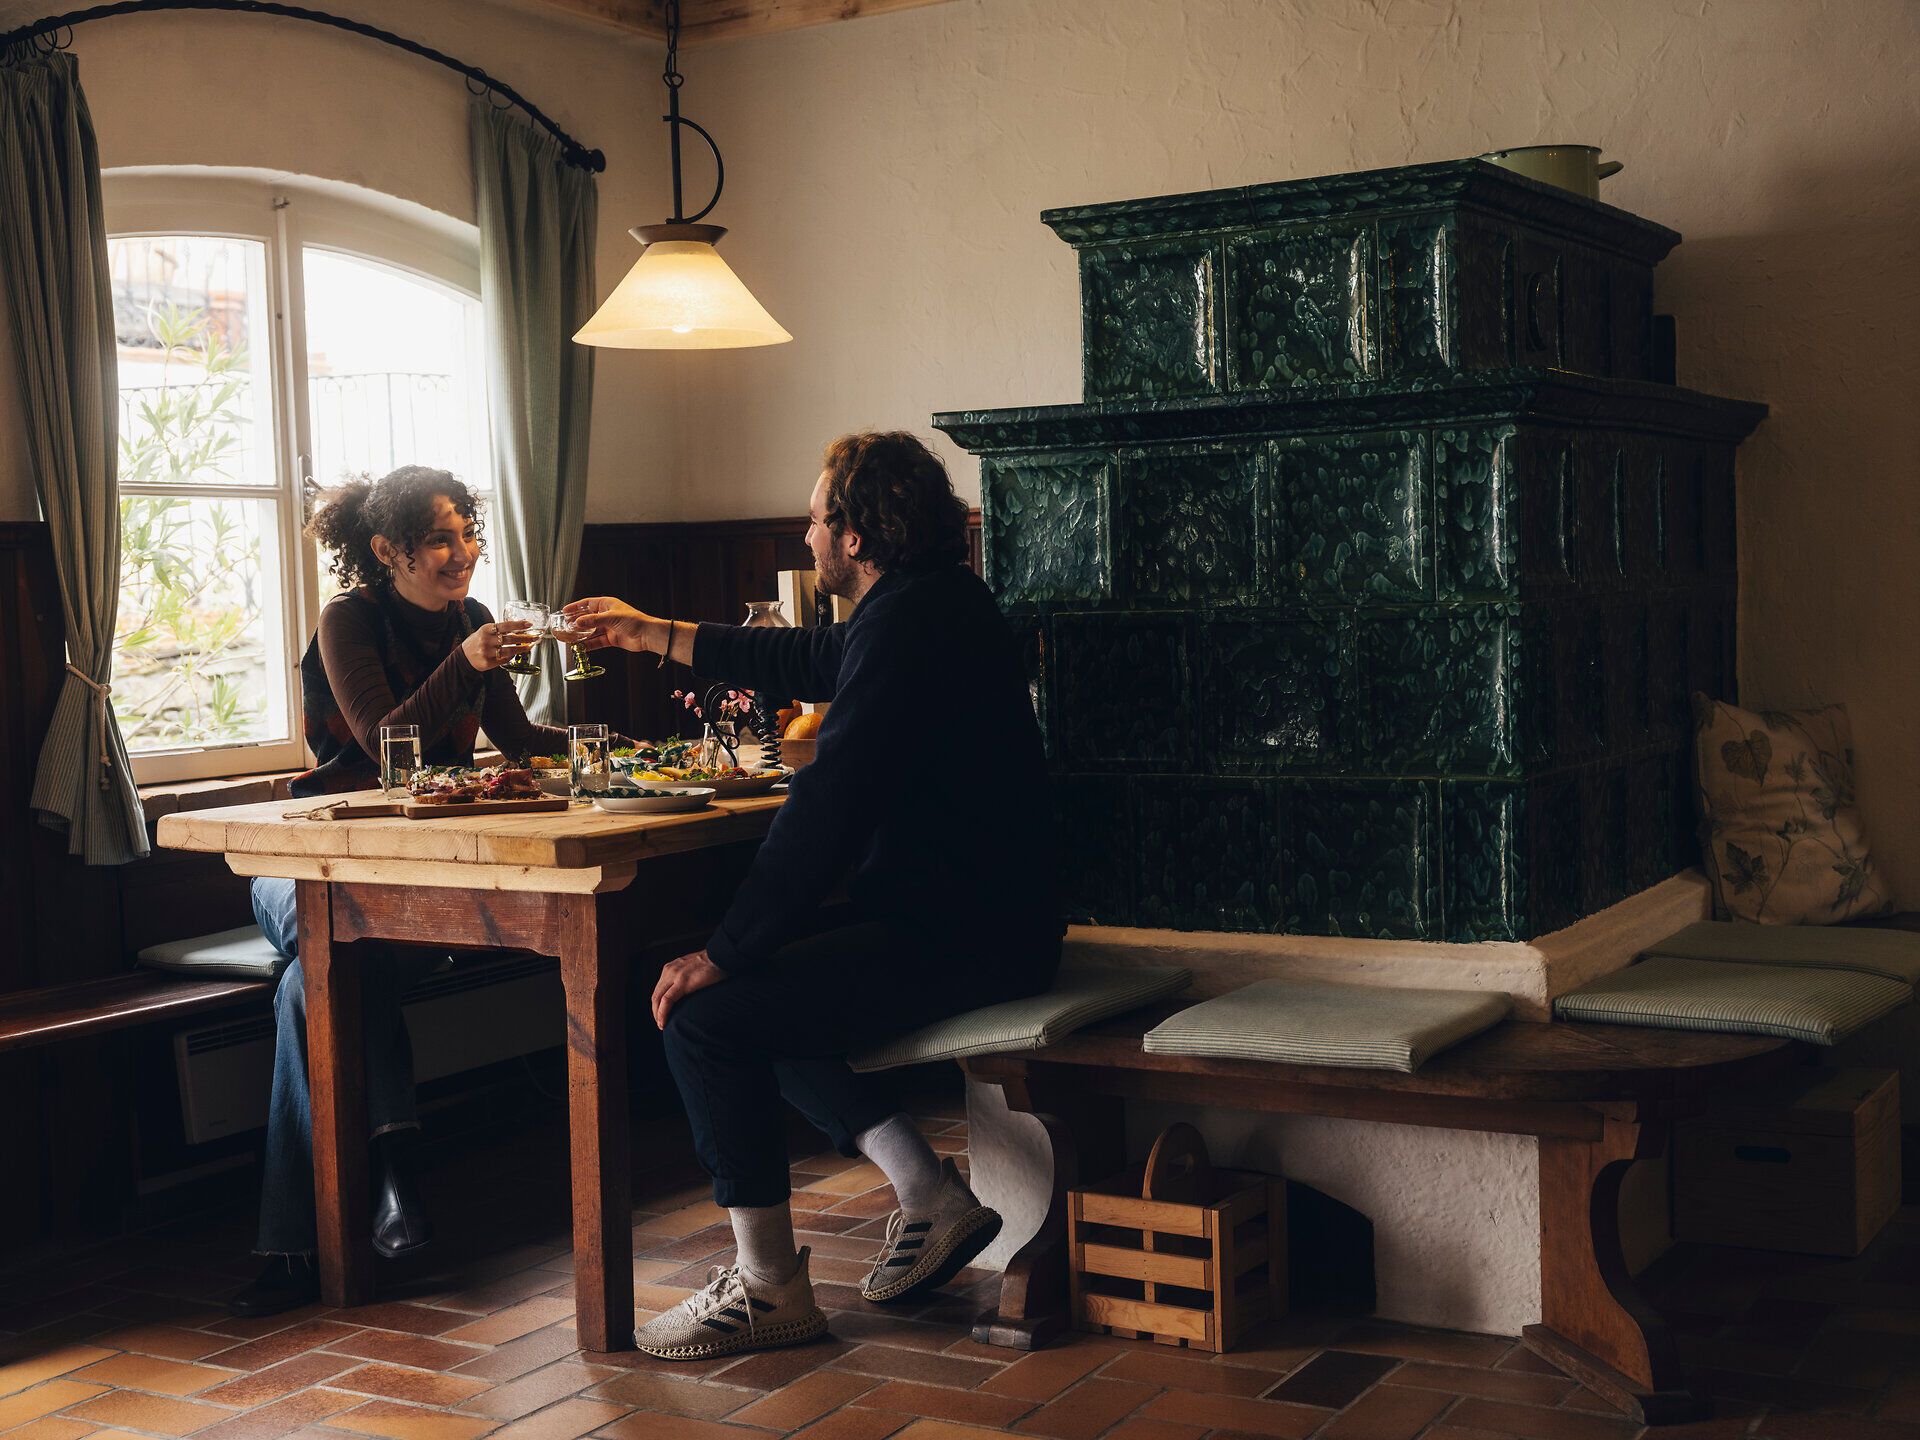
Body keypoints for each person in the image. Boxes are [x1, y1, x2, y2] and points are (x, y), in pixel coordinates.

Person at [564, 430, 1061, 1361]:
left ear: (855, 536)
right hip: (985, 921)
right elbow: (810, 655)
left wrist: (726, 950)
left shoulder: (908, 624)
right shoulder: (930, 603)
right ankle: (928, 1191)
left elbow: (828, 806)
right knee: (756, 989)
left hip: (966, 940)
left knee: (707, 1016)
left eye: (816, 518)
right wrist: (651, 632)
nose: (805, 534)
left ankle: (768, 1289)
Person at [230, 465, 562, 1317]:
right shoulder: (349, 620)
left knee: (320, 976)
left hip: (407, 867)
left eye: (468, 533)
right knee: (331, 947)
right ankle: (393, 1166)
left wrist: (618, 746)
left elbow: (519, 741)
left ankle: (308, 1237)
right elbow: (388, 750)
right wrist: (465, 660)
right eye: (441, 539)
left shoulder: (472, 620)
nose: (464, 552)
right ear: (388, 550)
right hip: (304, 854)